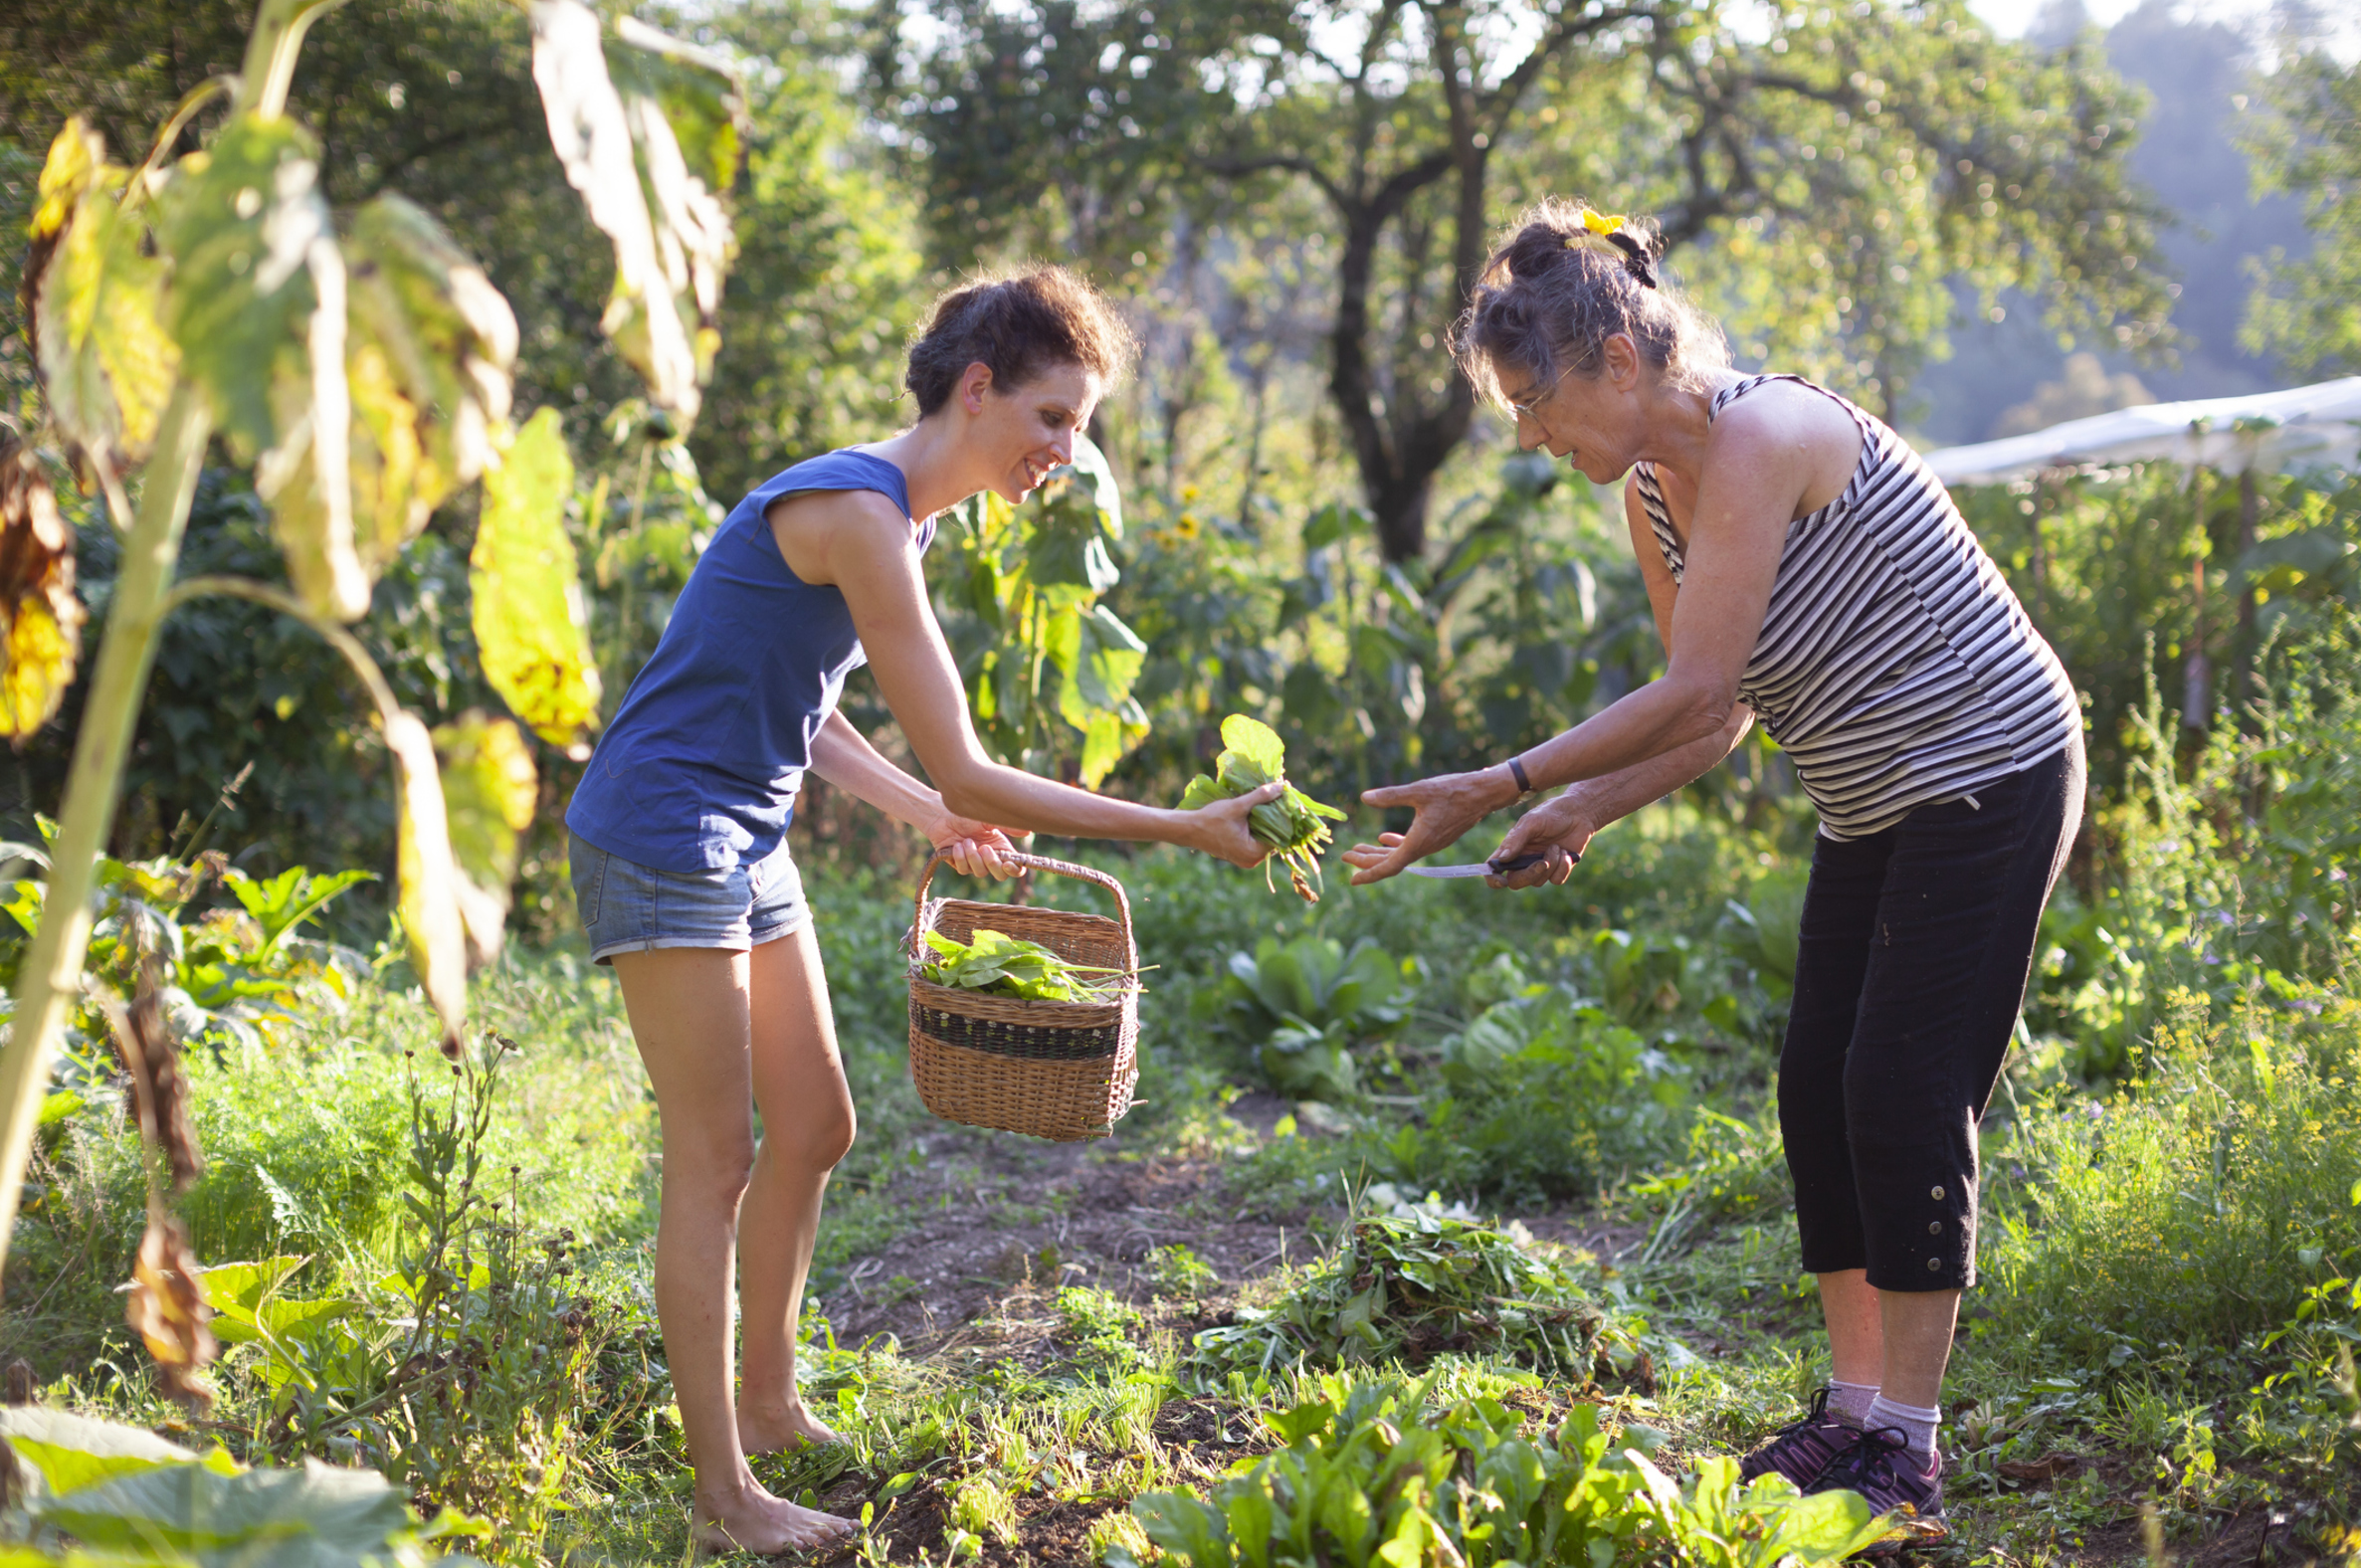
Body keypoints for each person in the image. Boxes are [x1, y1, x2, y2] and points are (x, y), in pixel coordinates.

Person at [1341, 200, 2085, 1531]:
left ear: (1620, 360)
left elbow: (1690, 687)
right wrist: (1582, 811)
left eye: (1536, 403)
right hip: (1872, 799)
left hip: (1990, 768)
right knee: (1815, 1091)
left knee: (1900, 1088)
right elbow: (1719, 712)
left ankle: (1908, 1452)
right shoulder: (1651, 490)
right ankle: (1851, 1414)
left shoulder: (1765, 433)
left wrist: (1499, 782)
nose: (1531, 437)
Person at [563, 267, 1279, 1555]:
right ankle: (723, 1498)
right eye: (1053, 418)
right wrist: (1178, 827)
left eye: (1080, 427)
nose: (1066, 451)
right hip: (666, 827)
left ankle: (769, 1406)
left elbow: (811, 710)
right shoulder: (859, 513)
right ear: (976, 389)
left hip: (742, 829)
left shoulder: (901, 522)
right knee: (715, 1159)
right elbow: (970, 765)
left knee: (818, 1125)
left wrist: (925, 817)